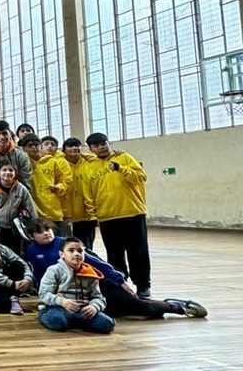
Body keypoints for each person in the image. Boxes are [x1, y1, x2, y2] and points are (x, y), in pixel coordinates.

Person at [26, 220, 207, 320]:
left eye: (48, 229)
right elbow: (41, 276)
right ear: (32, 236)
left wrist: (120, 281)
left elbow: (98, 263)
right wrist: (52, 296)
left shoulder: (67, 244)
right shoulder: (32, 251)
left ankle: (176, 307)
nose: (46, 233)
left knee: (140, 308)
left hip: (99, 285)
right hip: (75, 293)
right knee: (118, 313)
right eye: (40, 231)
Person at [83, 132, 152, 298]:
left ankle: (143, 285)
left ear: (109, 143)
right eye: (96, 145)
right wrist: (94, 214)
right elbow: (88, 192)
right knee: (114, 254)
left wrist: (121, 169)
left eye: (104, 143)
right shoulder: (88, 166)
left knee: (138, 252)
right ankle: (120, 284)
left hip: (132, 213)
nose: (101, 147)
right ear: (91, 149)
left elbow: (141, 177)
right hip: (107, 217)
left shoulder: (124, 157)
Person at [37, 237, 116, 334]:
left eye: (80, 251)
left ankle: (74, 322)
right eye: (71, 250)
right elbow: (44, 294)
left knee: (108, 324)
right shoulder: (53, 270)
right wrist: (62, 302)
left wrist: (94, 307)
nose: (76, 254)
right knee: (57, 322)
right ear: (61, 254)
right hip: (59, 308)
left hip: (83, 311)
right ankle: (44, 313)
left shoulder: (90, 273)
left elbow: (98, 297)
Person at [20, 134, 73, 237]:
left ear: (40, 146)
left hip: (52, 210)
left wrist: (58, 187)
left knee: (57, 241)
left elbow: (62, 181)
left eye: (36, 145)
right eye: (30, 145)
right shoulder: (22, 164)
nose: (34, 148)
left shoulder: (52, 162)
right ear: (24, 148)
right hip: (33, 211)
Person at [0, 163, 38, 250]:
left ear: (15, 173)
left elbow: (30, 208)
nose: (7, 172)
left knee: (16, 250)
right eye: (4, 170)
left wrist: (36, 226)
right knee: (0, 250)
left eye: (11, 170)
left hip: (15, 228)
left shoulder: (21, 189)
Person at [59, 138, 99, 249]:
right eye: (70, 146)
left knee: (86, 248)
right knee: (66, 247)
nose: (74, 148)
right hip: (66, 215)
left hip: (86, 215)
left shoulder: (90, 162)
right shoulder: (59, 163)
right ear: (63, 150)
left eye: (76, 145)